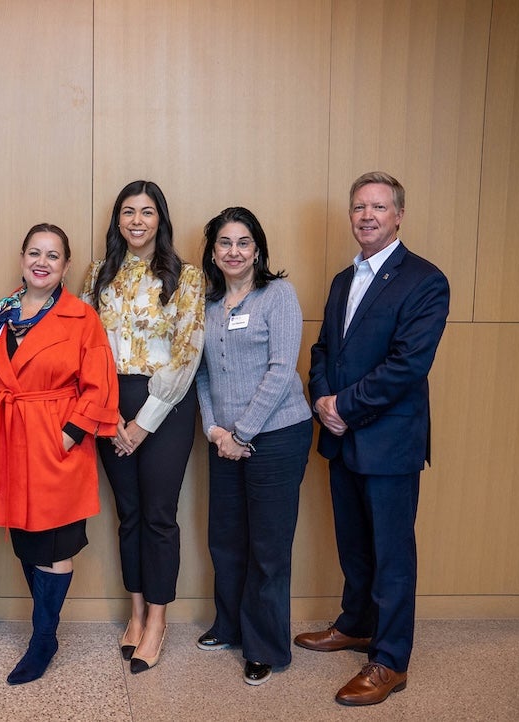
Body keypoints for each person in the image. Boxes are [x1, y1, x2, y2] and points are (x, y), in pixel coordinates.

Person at [298, 172, 449, 706]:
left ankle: (389, 660)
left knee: (391, 555)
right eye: (359, 207)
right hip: (342, 438)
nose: (367, 216)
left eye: (378, 207)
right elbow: (322, 351)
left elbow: (407, 365)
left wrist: (345, 406)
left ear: (399, 215)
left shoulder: (425, 280)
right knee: (355, 547)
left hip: (388, 442)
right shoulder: (344, 279)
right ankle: (357, 624)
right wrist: (322, 401)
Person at [0, 223, 119, 685]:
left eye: (53, 256)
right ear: (21, 258)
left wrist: (71, 433)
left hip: (56, 443)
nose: (42, 261)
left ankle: (42, 640)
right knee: (26, 541)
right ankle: (45, 631)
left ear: (66, 266)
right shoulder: (0, 312)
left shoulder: (81, 318)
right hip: (8, 441)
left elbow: (100, 382)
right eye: (35, 252)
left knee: (54, 546)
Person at [80, 180, 204, 674]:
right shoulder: (97, 274)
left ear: (161, 219)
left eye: (147, 212)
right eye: (128, 212)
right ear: (117, 220)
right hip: (109, 403)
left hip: (166, 407)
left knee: (158, 516)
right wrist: (110, 417)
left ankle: (158, 620)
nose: (136, 221)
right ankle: (135, 615)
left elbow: (187, 352)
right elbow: (85, 349)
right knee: (127, 514)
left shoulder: (187, 276)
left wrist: (142, 424)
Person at [193, 207, 313, 686]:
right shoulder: (206, 303)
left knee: (267, 547)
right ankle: (230, 627)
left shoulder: (277, 295)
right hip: (224, 441)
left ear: (258, 248)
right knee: (225, 541)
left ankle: (265, 646)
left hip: (278, 436)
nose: (234, 251)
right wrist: (215, 431)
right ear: (213, 251)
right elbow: (200, 372)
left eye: (243, 242)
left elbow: (282, 370)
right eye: (225, 243)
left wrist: (242, 433)